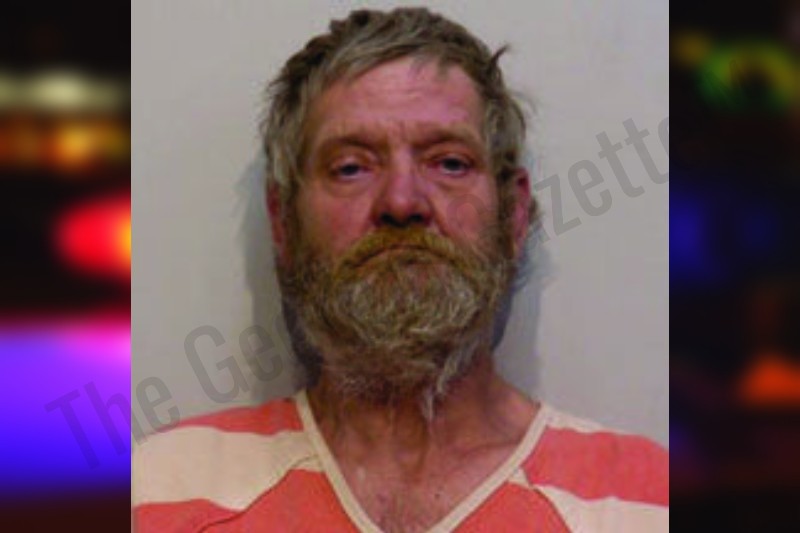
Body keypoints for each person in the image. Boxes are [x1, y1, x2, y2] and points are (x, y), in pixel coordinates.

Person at [132, 7, 668, 532]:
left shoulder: (647, 503)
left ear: (514, 214)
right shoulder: (158, 490)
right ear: (283, 221)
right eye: (351, 167)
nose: (402, 201)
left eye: (450, 163)